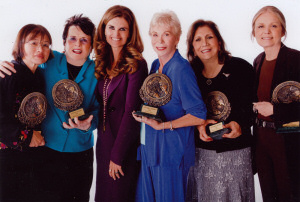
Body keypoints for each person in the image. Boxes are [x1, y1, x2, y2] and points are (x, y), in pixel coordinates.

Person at [0, 15, 99, 202]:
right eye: (72, 38)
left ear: (92, 45)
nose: (77, 44)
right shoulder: (49, 61)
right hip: (46, 150)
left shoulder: (100, 72)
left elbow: (99, 110)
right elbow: (25, 59)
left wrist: (88, 124)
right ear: (64, 42)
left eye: (84, 39)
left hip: (80, 152)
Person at [132, 11, 207, 202]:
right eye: (155, 34)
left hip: (171, 153)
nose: (160, 40)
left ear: (177, 37)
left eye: (166, 34)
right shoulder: (156, 64)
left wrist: (163, 126)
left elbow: (198, 115)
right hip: (151, 148)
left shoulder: (181, 69)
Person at [185, 19, 255, 202]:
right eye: (198, 39)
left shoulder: (241, 68)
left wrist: (240, 124)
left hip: (236, 152)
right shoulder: (189, 73)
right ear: (192, 47)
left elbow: (253, 106)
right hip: (203, 153)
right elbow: (184, 111)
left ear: (219, 41)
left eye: (210, 37)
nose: (205, 43)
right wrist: (199, 125)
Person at [93, 5, 148, 202]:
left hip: (123, 146)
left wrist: (117, 154)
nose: (116, 34)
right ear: (104, 29)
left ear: (130, 33)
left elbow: (131, 112)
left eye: (122, 29)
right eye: (111, 27)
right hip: (103, 143)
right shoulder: (102, 62)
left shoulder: (137, 64)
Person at [252, 6, 300, 202]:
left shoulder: (296, 59)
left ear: (283, 30)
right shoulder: (257, 61)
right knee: (268, 196)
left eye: (273, 26)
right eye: (261, 26)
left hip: (288, 141)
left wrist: (275, 110)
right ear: (254, 32)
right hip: (262, 141)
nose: (267, 32)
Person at [0, 24, 51, 202]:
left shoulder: (39, 76)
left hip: (32, 157)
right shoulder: (8, 74)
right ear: (21, 46)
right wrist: (27, 137)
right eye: (34, 43)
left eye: (45, 44)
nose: (40, 48)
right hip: (8, 159)